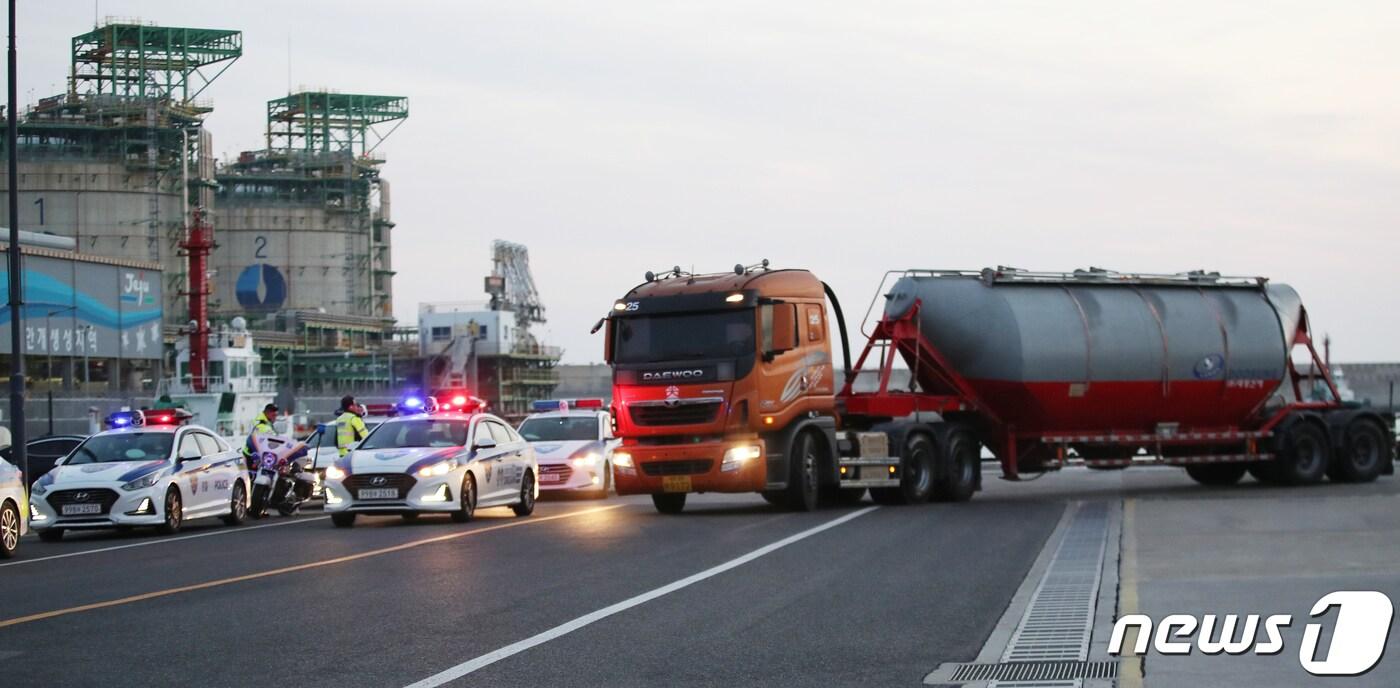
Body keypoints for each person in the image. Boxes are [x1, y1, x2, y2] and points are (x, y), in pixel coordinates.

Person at [243, 403, 279, 469]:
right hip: (252, 456)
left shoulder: (266, 422)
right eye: (273, 415)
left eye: (276, 415)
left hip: (257, 454)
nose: (275, 418)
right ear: (267, 413)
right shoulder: (261, 424)